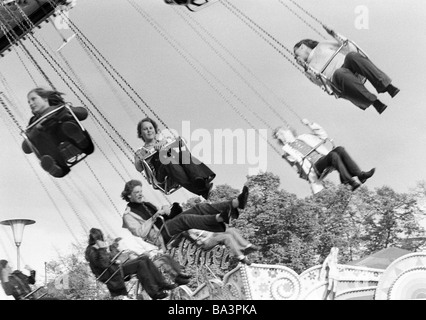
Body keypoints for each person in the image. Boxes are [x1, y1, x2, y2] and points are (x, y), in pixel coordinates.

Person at [293, 25, 400, 114]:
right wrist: (306, 67)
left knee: (352, 56)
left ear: (302, 47)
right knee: (340, 72)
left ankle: (386, 86)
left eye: (295, 53)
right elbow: (321, 83)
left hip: (350, 67)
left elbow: (348, 47)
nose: (295, 57)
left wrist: (334, 34)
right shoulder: (308, 69)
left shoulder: (323, 45)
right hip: (338, 80)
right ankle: (375, 102)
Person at [120, 179, 249, 250]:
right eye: (137, 192)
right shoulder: (128, 215)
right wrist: (155, 216)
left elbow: (161, 217)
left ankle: (235, 203)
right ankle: (219, 218)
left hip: (168, 226)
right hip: (161, 236)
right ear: (129, 195)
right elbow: (140, 232)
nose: (140, 194)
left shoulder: (146, 203)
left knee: (199, 208)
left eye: (141, 191)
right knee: (185, 220)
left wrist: (168, 211)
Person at [272, 119, 375, 194]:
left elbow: (323, 136)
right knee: (333, 155)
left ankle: (360, 175)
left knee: (339, 149)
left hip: (323, 159)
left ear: (289, 131)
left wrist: (309, 124)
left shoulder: (304, 137)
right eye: (279, 136)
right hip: (314, 167)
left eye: (282, 133)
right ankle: (349, 182)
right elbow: (294, 162)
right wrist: (285, 147)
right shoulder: (288, 151)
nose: (282, 137)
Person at [134, 117, 215, 199]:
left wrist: (164, 143)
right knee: (167, 160)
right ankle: (202, 189)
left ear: (155, 130)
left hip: (177, 167)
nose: (149, 130)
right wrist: (142, 156)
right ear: (141, 133)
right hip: (162, 175)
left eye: (151, 128)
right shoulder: (141, 151)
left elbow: (183, 142)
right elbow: (138, 168)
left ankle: (199, 180)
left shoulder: (163, 141)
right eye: (145, 129)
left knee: (182, 154)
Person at [85, 227, 177, 300]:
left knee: (144, 258)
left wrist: (112, 258)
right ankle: (154, 293)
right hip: (111, 273)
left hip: (115, 268)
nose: (102, 241)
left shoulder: (98, 248)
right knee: (140, 264)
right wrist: (102, 250)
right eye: (100, 239)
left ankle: (162, 283)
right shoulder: (91, 251)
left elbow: (107, 260)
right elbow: (104, 264)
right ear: (95, 240)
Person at [22, 87, 94, 177]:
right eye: (29, 102)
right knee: (38, 139)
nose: (31, 103)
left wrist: (66, 112)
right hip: (53, 146)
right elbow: (26, 148)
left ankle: (81, 140)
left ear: (45, 98)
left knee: (67, 125)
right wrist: (36, 129)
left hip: (67, 135)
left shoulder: (59, 108)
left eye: (33, 99)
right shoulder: (33, 122)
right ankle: (56, 167)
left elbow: (83, 113)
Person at [185, 227, 260, 265]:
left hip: (213, 234)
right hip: (205, 242)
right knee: (227, 237)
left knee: (231, 230)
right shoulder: (190, 230)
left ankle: (247, 246)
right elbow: (197, 241)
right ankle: (241, 257)